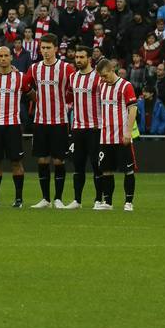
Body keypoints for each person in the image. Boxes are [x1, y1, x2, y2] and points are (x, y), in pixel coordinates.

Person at [0, 45, 31, 208]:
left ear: (11, 58)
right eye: (0, 56)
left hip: (13, 126)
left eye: (6, 55)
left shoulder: (20, 77)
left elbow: (31, 95)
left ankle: (19, 200)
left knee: (16, 162)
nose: (3, 58)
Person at [26, 34, 74, 208]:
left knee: (59, 161)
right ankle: (45, 199)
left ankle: (58, 198)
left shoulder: (66, 68)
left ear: (56, 48)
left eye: (48, 48)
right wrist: (35, 97)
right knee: (42, 160)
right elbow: (24, 85)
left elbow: (74, 88)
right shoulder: (34, 68)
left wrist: (68, 101)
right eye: (42, 48)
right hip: (40, 121)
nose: (45, 51)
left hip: (60, 121)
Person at [95, 58, 139, 211]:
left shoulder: (126, 86)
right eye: (100, 76)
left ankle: (128, 202)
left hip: (122, 135)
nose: (102, 78)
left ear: (112, 70)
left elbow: (133, 109)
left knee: (128, 169)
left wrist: (128, 131)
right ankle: (108, 202)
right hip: (106, 135)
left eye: (105, 75)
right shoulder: (102, 85)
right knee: (106, 169)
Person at [66, 46, 103, 209]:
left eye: (82, 57)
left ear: (89, 59)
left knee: (97, 165)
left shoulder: (98, 77)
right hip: (78, 128)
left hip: (95, 128)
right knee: (78, 165)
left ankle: (98, 200)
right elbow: (69, 98)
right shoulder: (73, 77)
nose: (79, 60)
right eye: (77, 57)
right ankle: (77, 200)